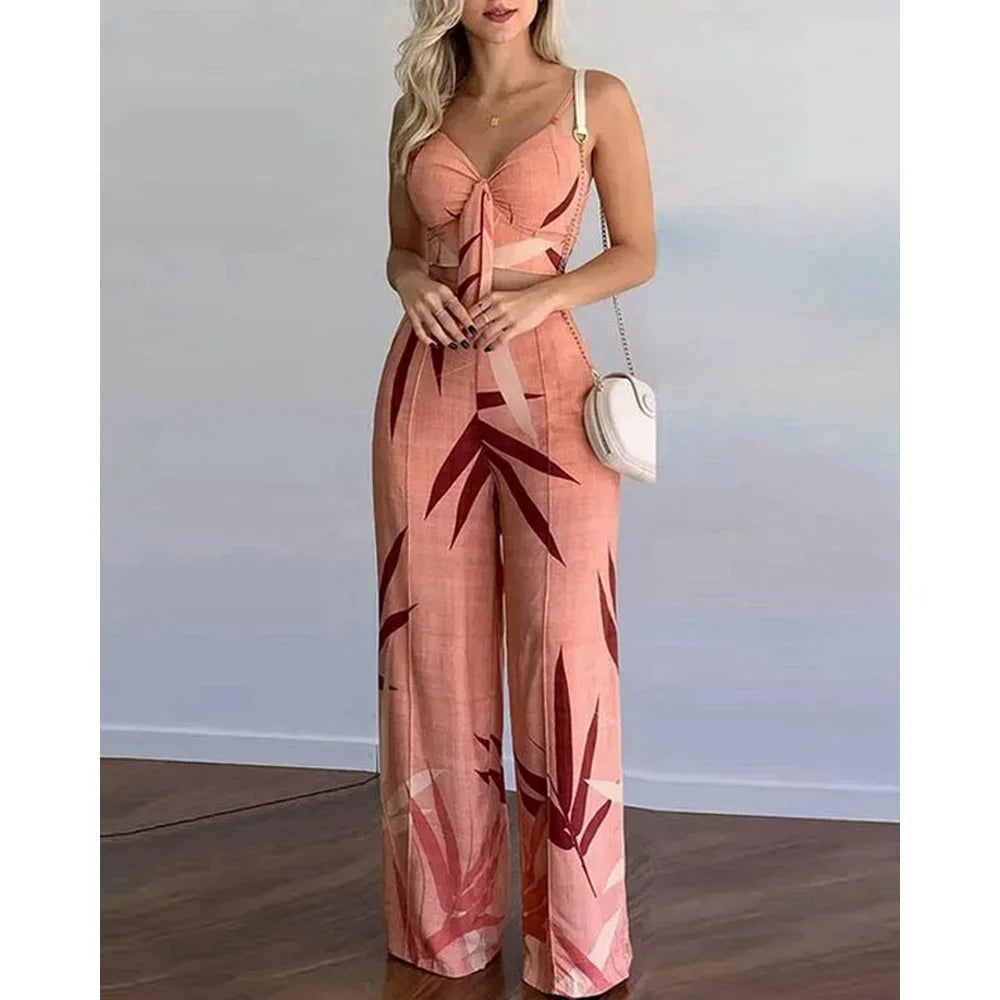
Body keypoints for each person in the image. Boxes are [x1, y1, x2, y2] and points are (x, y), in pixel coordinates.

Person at [370, 1, 655, 995]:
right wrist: (410, 280)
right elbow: (402, 247)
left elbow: (637, 249)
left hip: (553, 388)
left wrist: (546, 294)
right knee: (429, 651)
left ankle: (576, 946)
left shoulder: (592, 99)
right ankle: (442, 929)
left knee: (565, 650)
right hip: (427, 386)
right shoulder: (419, 105)